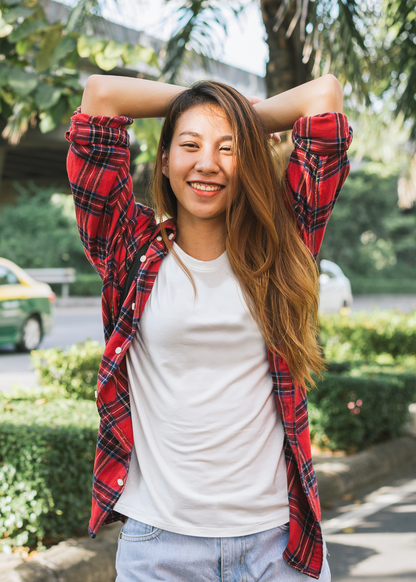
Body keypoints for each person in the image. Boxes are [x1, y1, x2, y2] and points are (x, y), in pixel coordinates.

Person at [66, 73, 352, 581]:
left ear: (249, 161)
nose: (207, 163)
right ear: (164, 160)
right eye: (190, 144)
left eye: (228, 148)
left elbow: (324, 96)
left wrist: (228, 114)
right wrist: (206, 103)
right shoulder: (128, 248)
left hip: (278, 544)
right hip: (160, 546)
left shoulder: (284, 244)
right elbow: (100, 97)